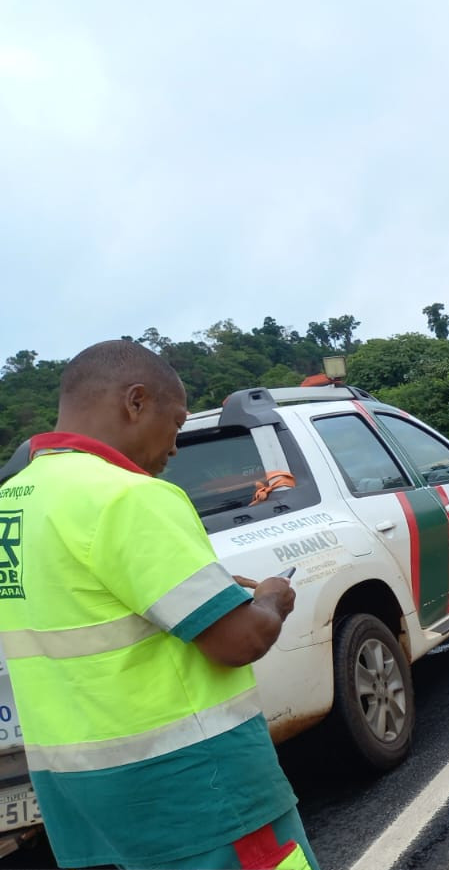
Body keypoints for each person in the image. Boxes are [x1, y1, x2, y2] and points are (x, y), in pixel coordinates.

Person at [0, 340, 317, 870]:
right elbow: (240, 640)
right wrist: (269, 598)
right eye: (175, 423)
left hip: (80, 798)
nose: (175, 446)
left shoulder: (14, 500)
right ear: (136, 402)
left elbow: (89, 606)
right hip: (195, 787)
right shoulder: (128, 495)